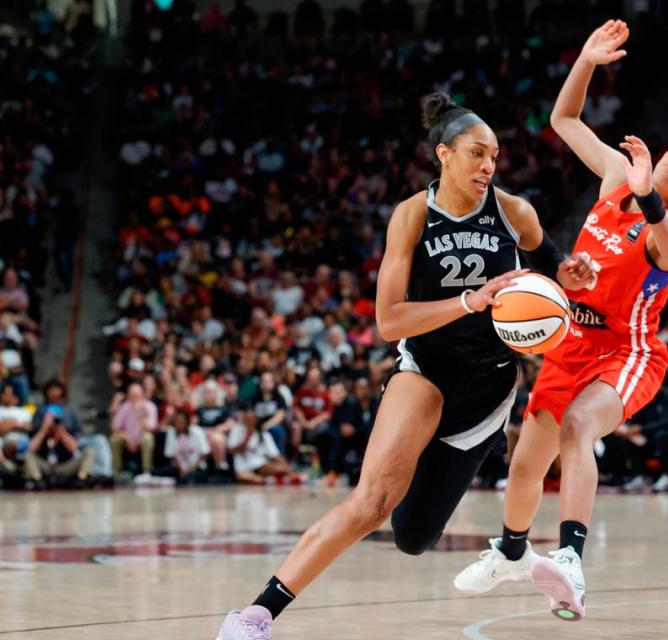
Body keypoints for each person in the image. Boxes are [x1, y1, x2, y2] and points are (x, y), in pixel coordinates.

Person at [216, 91, 596, 639]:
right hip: (427, 372)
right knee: (370, 502)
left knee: (414, 537)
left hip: (489, 388)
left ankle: (513, 554)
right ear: (444, 154)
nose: (489, 165)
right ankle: (253, 617)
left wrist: (571, 273)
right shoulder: (413, 215)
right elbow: (389, 321)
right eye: (476, 153)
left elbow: (552, 261)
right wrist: (471, 299)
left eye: (495, 156)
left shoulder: (514, 212)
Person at [454, 20, 668, 622]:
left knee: (581, 427)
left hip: (627, 353)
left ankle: (574, 560)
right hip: (570, 342)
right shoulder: (614, 180)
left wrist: (651, 198)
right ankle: (509, 551)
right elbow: (565, 121)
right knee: (527, 461)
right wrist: (585, 61)